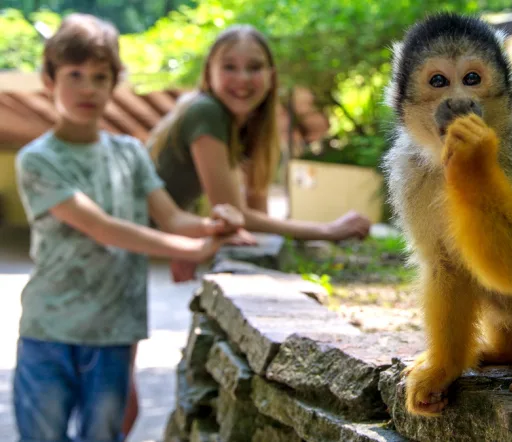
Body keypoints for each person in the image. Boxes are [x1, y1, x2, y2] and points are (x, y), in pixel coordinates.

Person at [13, 13, 244, 441]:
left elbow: (173, 217)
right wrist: (189, 250)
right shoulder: (37, 158)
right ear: (49, 81)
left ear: (114, 83)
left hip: (115, 331)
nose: (88, 88)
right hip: (49, 331)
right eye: (75, 75)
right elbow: (101, 228)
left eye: (101, 77)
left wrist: (216, 225)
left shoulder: (130, 153)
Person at [146, 24, 372, 283]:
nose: (242, 78)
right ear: (210, 72)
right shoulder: (206, 111)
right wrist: (327, 230)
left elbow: (255, 206)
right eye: (229, 67)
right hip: (128, 238)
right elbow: (233, 211)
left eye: (254, 67)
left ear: (271, 76)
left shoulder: (246, 125)